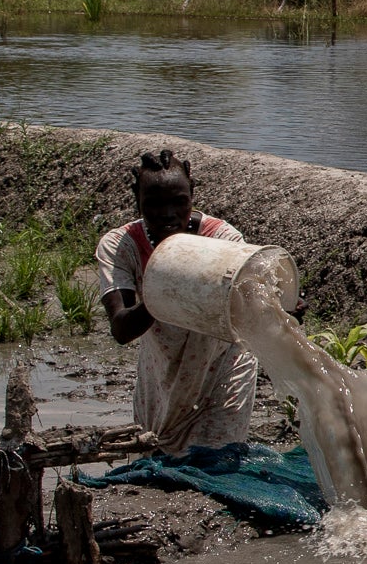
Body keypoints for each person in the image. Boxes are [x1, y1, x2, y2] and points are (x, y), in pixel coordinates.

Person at [95, 149, 264, 451]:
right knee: (156, 453)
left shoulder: (222, 240)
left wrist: (280, 307)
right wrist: (166, 284)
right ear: (137, 201)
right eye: (154, 204)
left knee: (217, 461)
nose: (168, 213)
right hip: (162, 367)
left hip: (223, 363)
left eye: (179, 201)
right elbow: (121, 329)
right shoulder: (122, 246)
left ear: (192, 195)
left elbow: (249, 304)